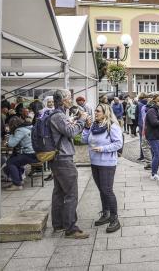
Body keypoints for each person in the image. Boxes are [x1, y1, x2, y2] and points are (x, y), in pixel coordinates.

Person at [49, 89, 89, 239]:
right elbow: (71, 133)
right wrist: (82, 120)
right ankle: (71, 228)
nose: (71, 100)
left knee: (59, 192)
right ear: (63, 100)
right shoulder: (59, 116)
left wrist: (72, 122)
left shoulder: (57, 115)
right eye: (69, 98)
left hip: (58, 158)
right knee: (71, 193)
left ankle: (58, 224)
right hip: (63, 159)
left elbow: (65, 131)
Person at [82, 103, 123, 233]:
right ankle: (105, 213)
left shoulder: (112, 126)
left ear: (105, 113)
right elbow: (84, 140)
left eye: (98, 111)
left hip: (107, 163)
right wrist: (86, 128)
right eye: (95, 110)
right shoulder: (94, 126)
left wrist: (103, 149)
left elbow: (118, 143)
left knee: (107, 190)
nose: (95, 112)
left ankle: (115, 218)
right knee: (101, 190)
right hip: (95, 162)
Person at [4, 117, 38, 191]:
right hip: (35, 152)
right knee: (15, 159)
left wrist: (10, 134)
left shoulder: (20, 130)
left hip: (30, 154)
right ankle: (19, 180)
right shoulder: (28, 127)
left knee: (10, 162)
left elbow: (11, 144)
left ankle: (17, 184)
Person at [145, 94, 159, 181]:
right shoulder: (151, 111)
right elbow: (154, 123)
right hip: (153, 136)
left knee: (157, 155)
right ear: (157, 101)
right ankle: (153, 174)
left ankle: (156, 171)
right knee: (157, 155)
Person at [136, 93, 149, 162]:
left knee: (142, 140)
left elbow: (136, 115)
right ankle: (147, 156)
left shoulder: (139, 104)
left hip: (141, 124)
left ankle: (142, 156)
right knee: (148, 140)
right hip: (147, 123)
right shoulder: (149, 103)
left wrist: (136, 125)